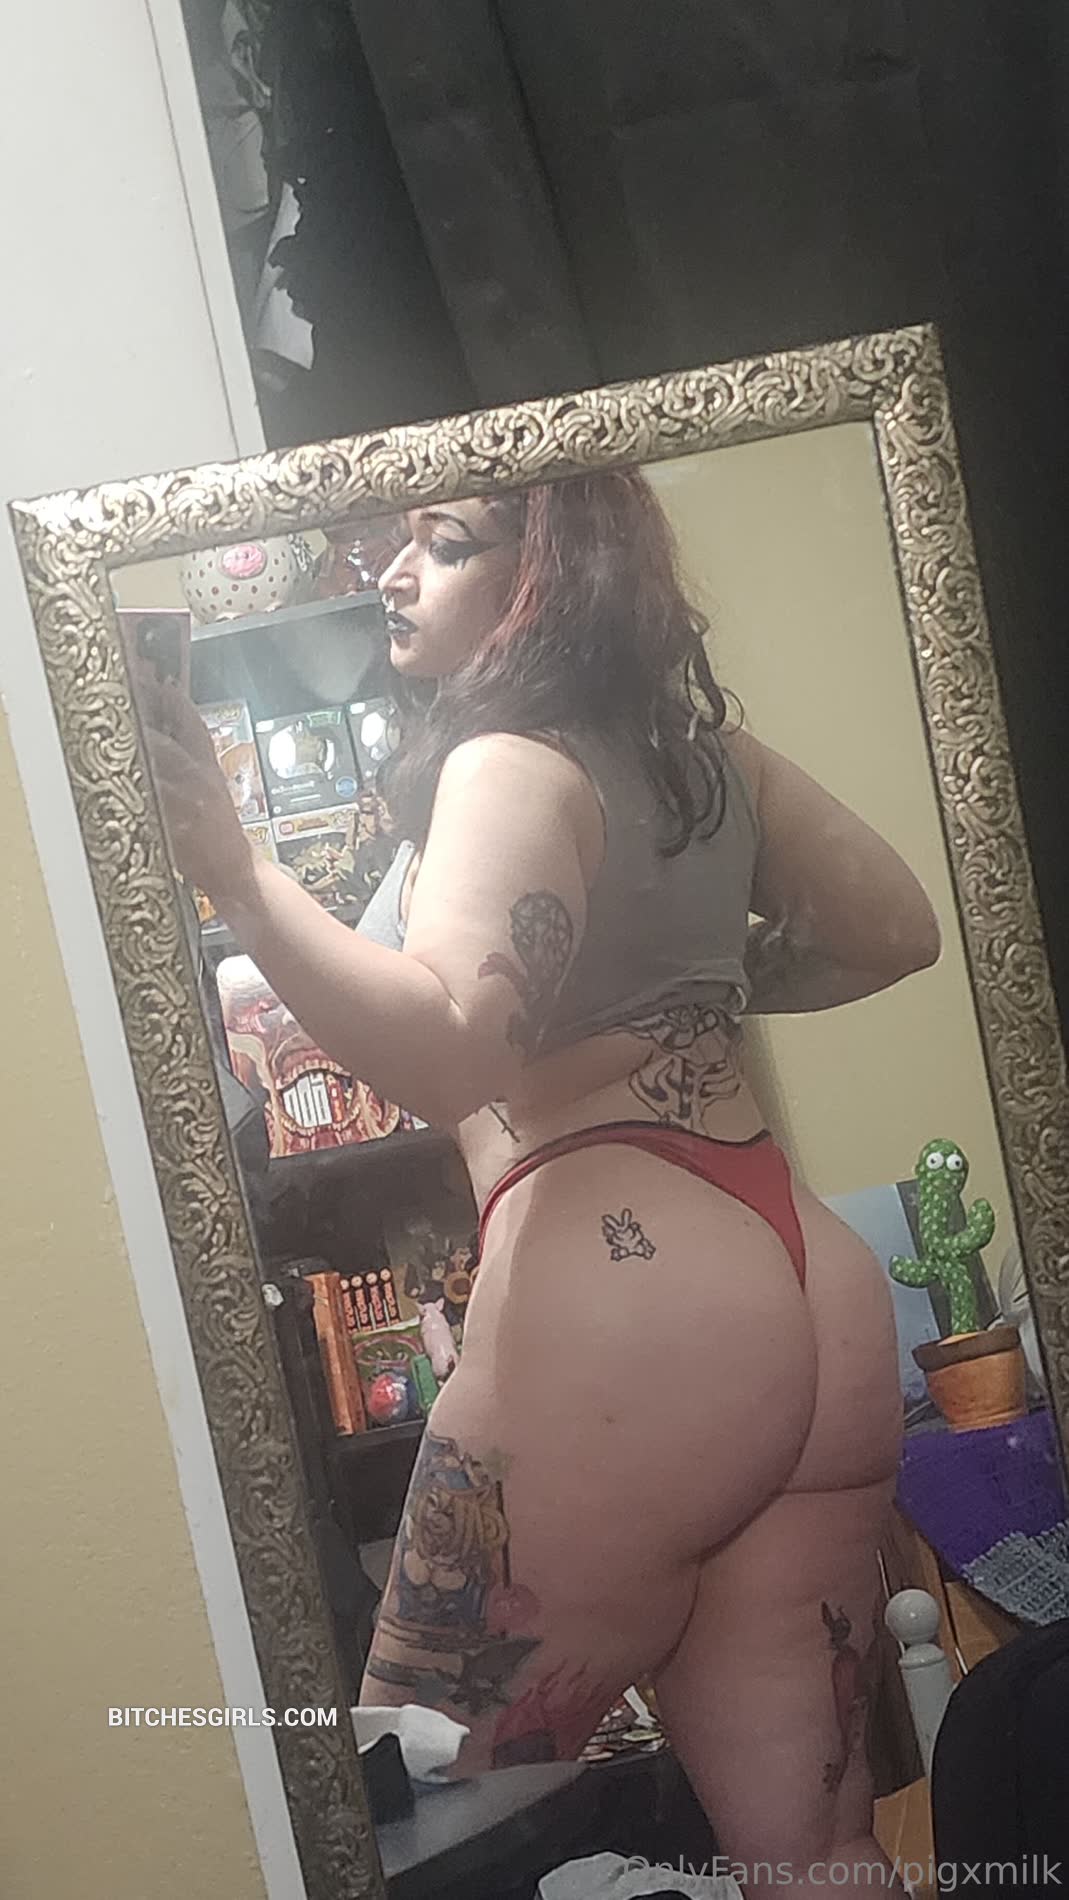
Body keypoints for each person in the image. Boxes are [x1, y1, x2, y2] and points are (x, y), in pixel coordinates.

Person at [147, 471, 939, 1897]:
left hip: (628, 1298)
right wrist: (678, 996)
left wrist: (240, 874)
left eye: (443, 545)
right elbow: (891, 930)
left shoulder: (504, 763)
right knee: (817, 1858)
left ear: (544, 574)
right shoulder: (706, 759)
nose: (393, 575)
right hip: (810, 1286)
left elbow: (451, 1050)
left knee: (391, 1835)